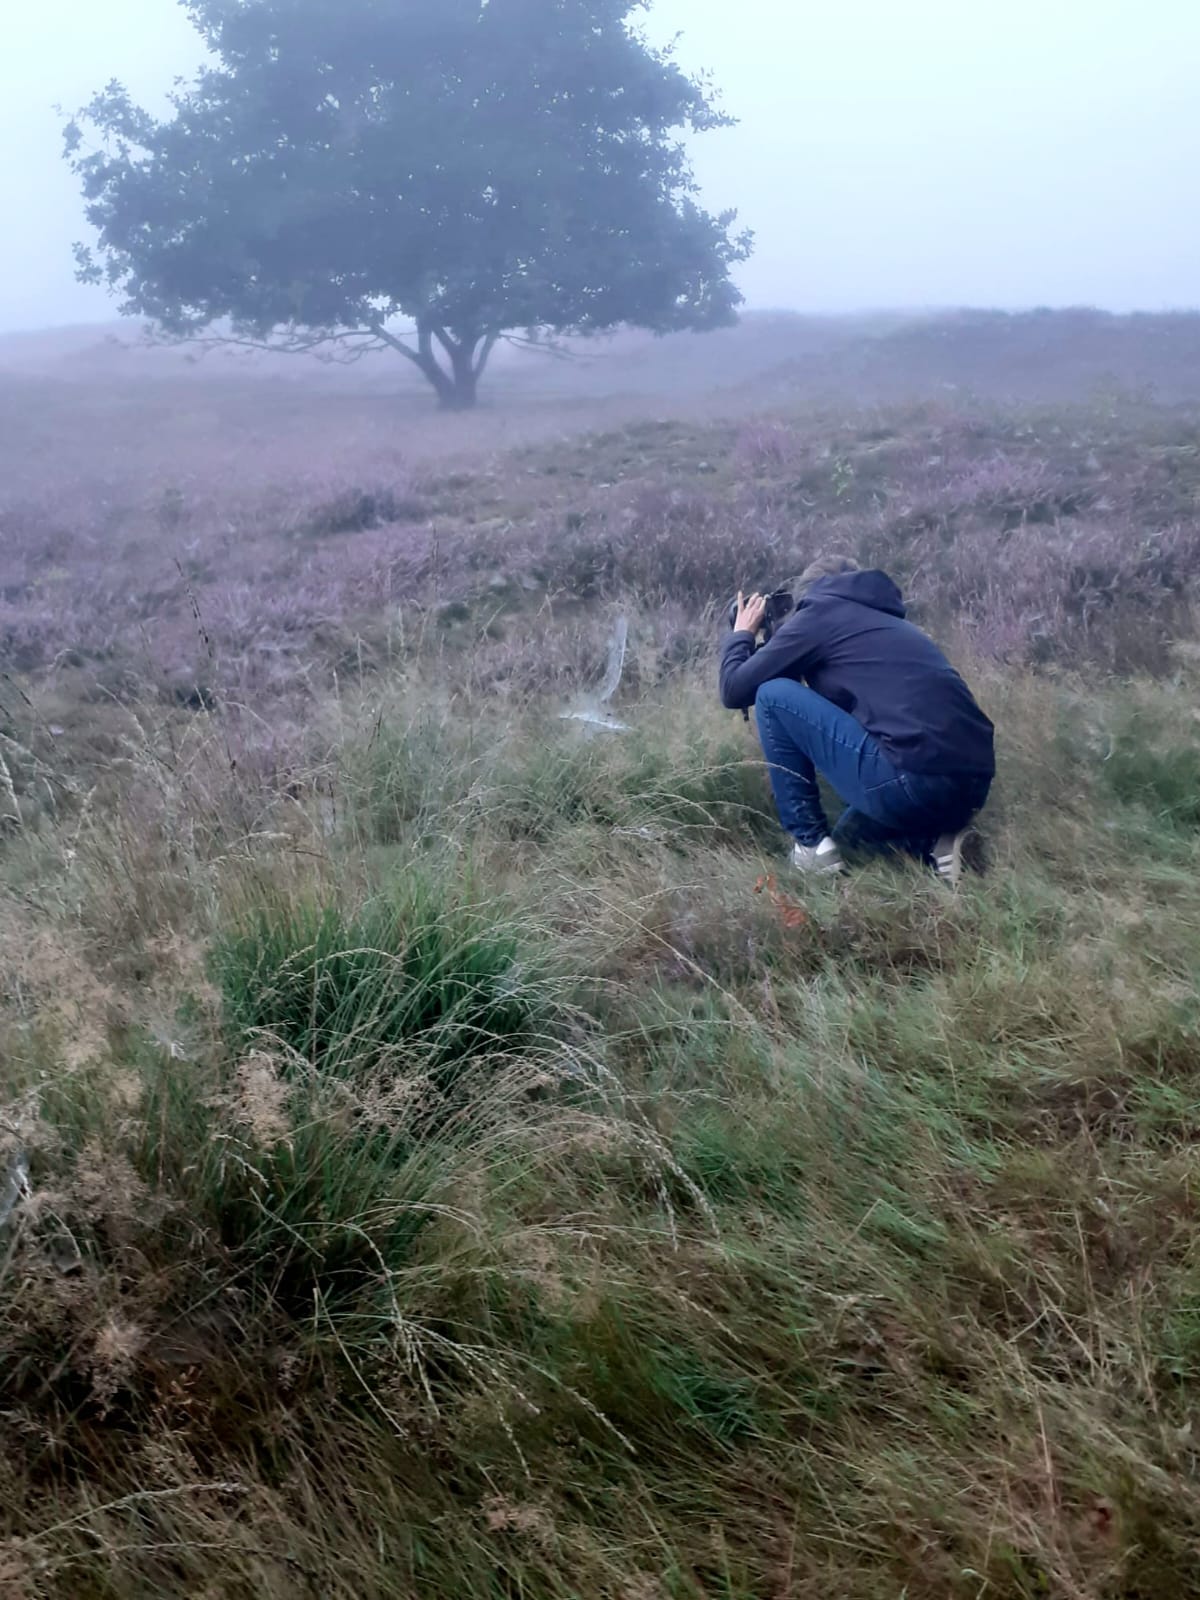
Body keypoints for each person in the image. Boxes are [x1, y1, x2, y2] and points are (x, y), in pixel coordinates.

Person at [720, 555, 995, 880]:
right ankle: (938, 843)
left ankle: (809, 846)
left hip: (912, 777)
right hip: (973, 785)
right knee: (850, 840)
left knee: (772, 695)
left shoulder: (820, 614)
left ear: (812, 591)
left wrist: (742, 635)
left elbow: (734, 689)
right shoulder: (888, 624)